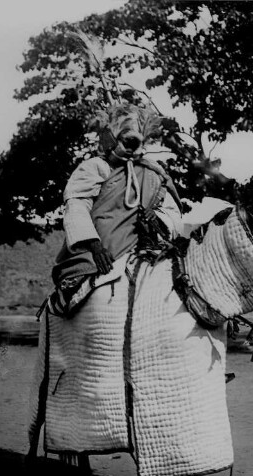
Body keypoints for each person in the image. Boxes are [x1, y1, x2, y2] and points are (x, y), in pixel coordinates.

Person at [49, 103, 183, 317]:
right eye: (127, 141)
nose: (132, 148)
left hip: (146, 248)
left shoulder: (154, 173)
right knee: (80, 287)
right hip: (97, 251)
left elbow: (173, 213)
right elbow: (76, 206)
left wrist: (157, 220)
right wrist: (95, 246)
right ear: (110, 138)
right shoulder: (94, 167)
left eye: (137, 141)